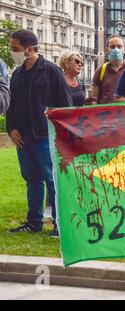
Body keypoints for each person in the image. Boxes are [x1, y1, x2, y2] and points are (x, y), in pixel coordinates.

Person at [6, 30, 72, 236]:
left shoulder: (51, 71)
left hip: (45, 136)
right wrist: (11, 129)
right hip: (23, 138)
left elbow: (65, 106)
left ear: (30, 49)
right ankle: (33, 222)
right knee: (32, 180)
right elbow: (12, 105)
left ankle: (59, 224)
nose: (12, 52)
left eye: (15, 49)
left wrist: (60, 134)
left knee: (52, 180)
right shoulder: (17, 74)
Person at [89, 34, 125, 104]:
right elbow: (94, 100)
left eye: (119, 46)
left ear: (124, 50)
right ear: (106, 50)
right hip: (105, 114)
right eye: (112, 47)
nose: (116, 49)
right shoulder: (100, 71)